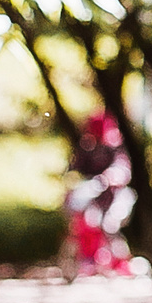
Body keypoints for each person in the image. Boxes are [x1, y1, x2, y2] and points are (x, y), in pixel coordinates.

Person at [62, 111, 137, 279]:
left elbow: (123, 171)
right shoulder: (87, 148)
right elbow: (73, 170)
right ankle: (88, 259)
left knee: (110, 226)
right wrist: (71, 184)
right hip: (94, 198)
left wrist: (111, 177)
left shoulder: (115, 148)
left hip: (115, 198)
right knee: (87, 220)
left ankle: (121, 261)